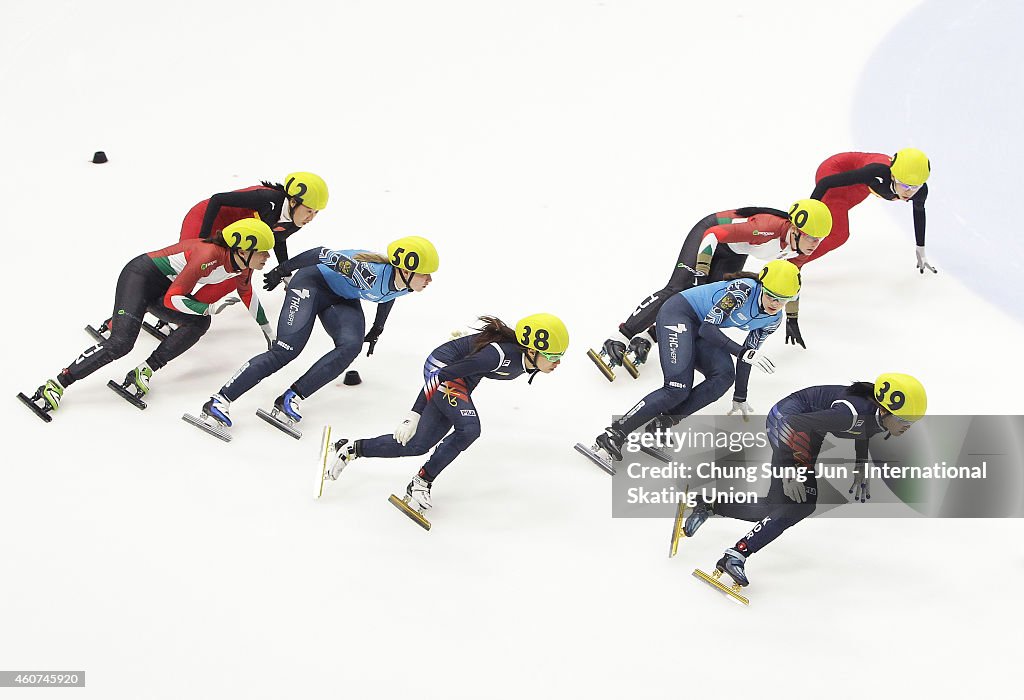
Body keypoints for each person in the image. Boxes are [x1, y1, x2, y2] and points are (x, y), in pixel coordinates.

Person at [684, 373, 927, 592]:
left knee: (774, 507)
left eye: (912, 422)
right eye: (904, 420)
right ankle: (735, 555)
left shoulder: (877, 416)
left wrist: (861, 463)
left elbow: (865, 431)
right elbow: (795, 425)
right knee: (799, 504)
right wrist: (789, 472)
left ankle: (708, 505)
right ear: (885, 410)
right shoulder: (848, 414)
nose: (907, 427)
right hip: (788, 424)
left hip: (808, 429)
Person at [18, 220, 276, 422]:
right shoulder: (208, 254)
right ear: (243, 249)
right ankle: (57, 384)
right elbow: (174, 299)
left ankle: (144, 370)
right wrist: (208, 306)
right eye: (263, 252)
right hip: (140, 277)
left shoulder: (244, 266)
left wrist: (268, 332)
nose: (267, 258)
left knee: (199, 324)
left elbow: (247, 294)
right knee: (121, 343)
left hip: (162, 288)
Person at [321, 313, 569, 522]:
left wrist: (467, 345)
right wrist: (414, 413)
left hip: (460, 378)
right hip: (442, 370)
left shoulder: (520, 361)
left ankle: (351, 449)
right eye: (553, 356)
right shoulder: (498, 356)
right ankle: (421, 482)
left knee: (417, 444)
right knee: (470, 428)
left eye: (560, 357)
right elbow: (441, 375)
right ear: (532, 349)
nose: (557, 363)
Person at [188, 236, 439, 440]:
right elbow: (321, 253)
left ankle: (291, 398)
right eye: (425, 274)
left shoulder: (407, 284)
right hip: (312, 283)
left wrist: (378, 328)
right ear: (405, 269)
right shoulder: (367, 272)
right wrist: (281, 271)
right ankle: (219, 401)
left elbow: (388, 295)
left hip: (341, 297)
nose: (429, 280)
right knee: (286, 350)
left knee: (351, 346)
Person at [578, 260, 801, 473]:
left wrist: (740, 395)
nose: (775, 304)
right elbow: (709, 330)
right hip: (680, 313)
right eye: (771, 296)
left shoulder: (773, 320)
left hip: (700, 326)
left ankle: (661, 424)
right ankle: (613, 435)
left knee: (724, 376)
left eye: (783, 300)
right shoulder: (742, 290)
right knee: (677, 387)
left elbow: (747, 356)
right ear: (761, 286)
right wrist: (744, 352)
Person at [588, 199, 832, 379]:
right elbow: (714, 235)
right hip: (709, 235)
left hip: (734, 252)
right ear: (795, 230)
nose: (815, 245)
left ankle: (648, 337)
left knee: (706, 307)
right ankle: (619, 337)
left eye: (819, 240)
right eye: (812, 238)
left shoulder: (801, 249)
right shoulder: (766, 227)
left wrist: (792, 317)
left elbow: (792, 280)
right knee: (678, 289)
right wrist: (701, 273)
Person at [87, 171, 328, 340]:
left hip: (236, 240)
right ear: (293, 201)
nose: (311, 218)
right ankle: (118, 320)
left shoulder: (296, 220)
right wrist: (202, 241)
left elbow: (277, 240)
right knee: (181, 274)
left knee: (229, 282)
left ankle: (176, 311)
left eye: (316, 213)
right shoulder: (269, 199)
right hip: (207, 221)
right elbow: (217, 200)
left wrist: (284, 273)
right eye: (309, 211)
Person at [805, 148, 933, 273]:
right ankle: (795, 261)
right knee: (839, 234)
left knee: (831, 220)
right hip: (836, 170)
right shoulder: (876, 173)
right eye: (904, 185)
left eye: (914, 186)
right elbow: (825, 183)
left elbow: (919, 214)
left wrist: (920, 249)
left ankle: (796, 242)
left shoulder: (920, 191)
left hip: (862, 186)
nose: (909, 192)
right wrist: (809, 215)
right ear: (893, 176)